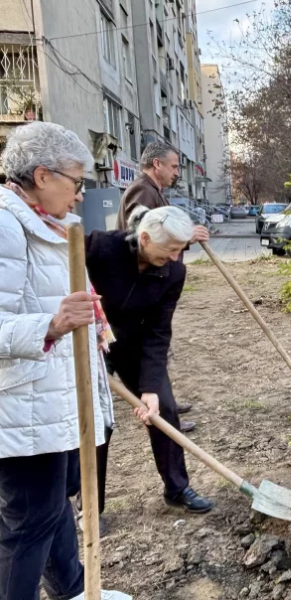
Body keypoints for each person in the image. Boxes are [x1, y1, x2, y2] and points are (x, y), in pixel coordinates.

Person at [0, 122, 133, 599]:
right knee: (28, 524)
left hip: (47, 403)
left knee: (54, 507)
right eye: (77, 183)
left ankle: (75, 589)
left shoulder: (45, 225)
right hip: (19, 410)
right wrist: (51, 325)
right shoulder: (5, 226)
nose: (80, 196)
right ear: (42, 175)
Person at [86, 205, 213, 516]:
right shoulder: (99, 248)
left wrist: (151, 388)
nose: (173, 257)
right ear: (144, 238)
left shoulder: (173, 272)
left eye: (179, 250)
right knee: (96, 422)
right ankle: (90, 507)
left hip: (131, 345)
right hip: (87, 341)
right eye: (169, 249)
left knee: (165, 408)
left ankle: (177, 487)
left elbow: (158, 331)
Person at [117, 140, 209, 430]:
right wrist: (184, 236)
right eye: (173, 166)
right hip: (141, 286)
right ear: (156, 164)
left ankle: (163, 399)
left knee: (158, 345)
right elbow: (141, 233)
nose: (176, 173)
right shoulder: (141, 190)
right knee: (146, 347)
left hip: (153, 284)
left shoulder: (154, 191)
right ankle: (162, 409)